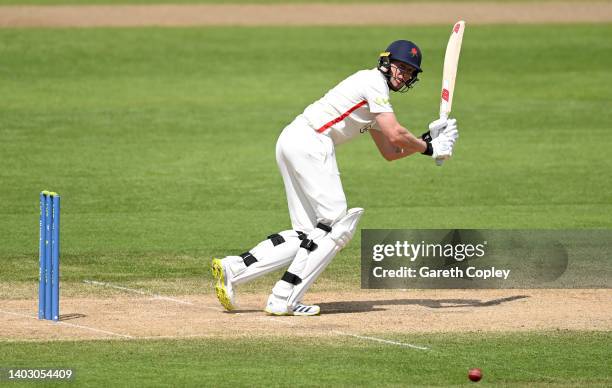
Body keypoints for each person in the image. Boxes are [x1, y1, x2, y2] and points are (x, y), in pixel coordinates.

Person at [211, 40, 459, 316]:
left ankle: (234, 268)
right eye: (400, 67)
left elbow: (391, 151)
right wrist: (430, 148)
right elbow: (395, 133)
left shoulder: (375, 98)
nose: (403, 74)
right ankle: (283, 298)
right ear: (386, 63)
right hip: (311, 142)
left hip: (293, 139)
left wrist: (426, 141)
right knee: (337, 225)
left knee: (308, 234)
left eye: (410, 71)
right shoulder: (372, 81)